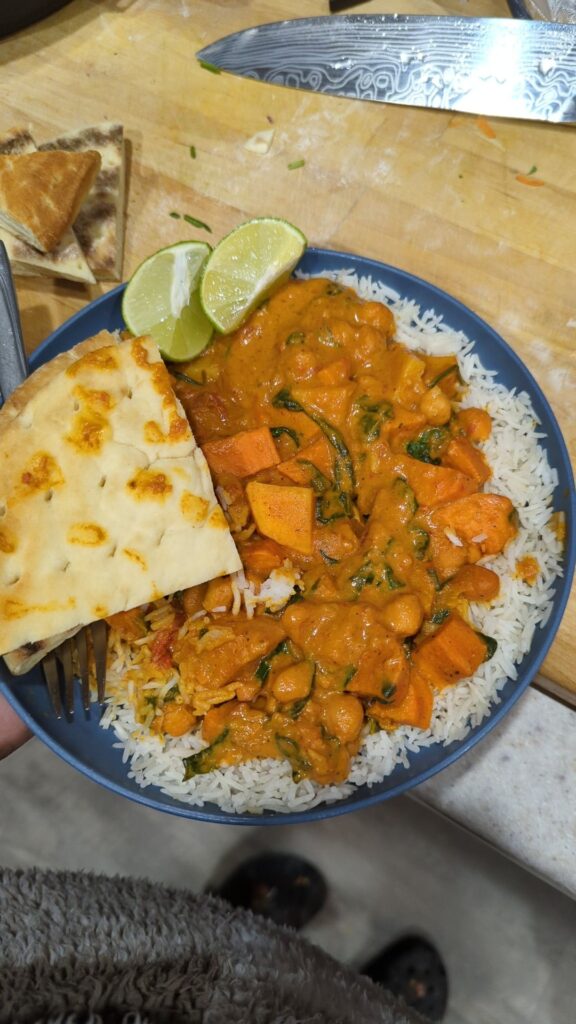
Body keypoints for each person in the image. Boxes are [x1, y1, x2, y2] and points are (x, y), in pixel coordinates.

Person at [0, 697, 446, 1023]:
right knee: (333, 1008)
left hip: (31, 975)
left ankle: (237, 932)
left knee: (176, 949)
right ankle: (353, 1003)